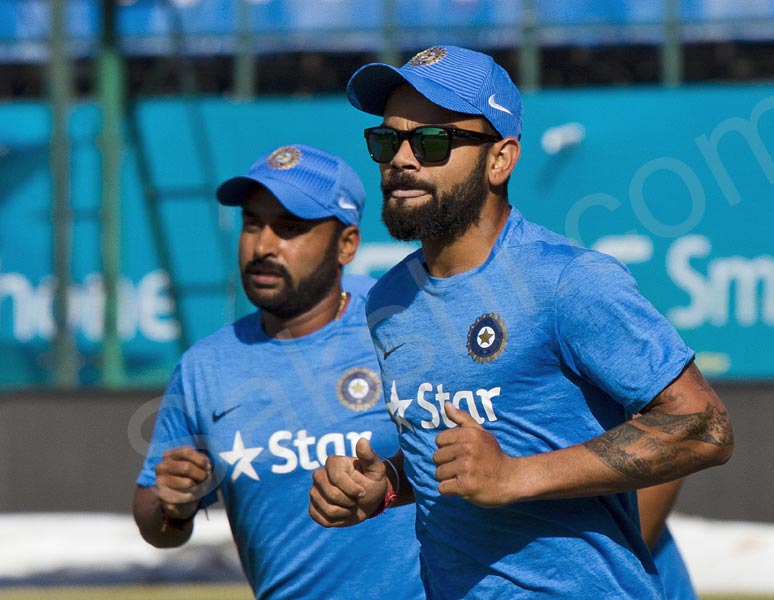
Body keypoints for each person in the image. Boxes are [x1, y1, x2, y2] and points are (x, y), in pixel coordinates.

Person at [308, 45, 733, 599]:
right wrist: (386, 485)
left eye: (433, 140)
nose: (402, 160)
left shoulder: (570, 281)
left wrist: (516, 476)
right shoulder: (388, 300)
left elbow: (705, 427)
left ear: (501, 159)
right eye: (387, 140)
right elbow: (469, 458)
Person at [133, 144, 423, 600]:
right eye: (252, 223)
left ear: (346, 244)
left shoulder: (404, 326)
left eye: (290, 228)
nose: (263, 246)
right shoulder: (205, 366)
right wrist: (173, 505)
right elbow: (158, 522)